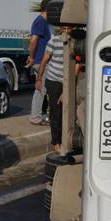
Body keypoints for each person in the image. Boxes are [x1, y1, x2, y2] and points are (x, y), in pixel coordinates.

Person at [37, 23, 69, 152]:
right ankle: (56, 142)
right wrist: (39, 78)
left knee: (67, 113)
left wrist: (66, 88)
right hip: (54, 81)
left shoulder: (74, 42)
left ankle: (67, 139)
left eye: (69, 28)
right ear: (61, 28)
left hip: (68, 82)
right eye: (65, 28)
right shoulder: (54, 41)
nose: (67, 30)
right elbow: (45, 59)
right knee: (56, 112)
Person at [25, 0, 52, 125]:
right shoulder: (40, 22)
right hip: (41, 61)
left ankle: (42, 115)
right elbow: (33, 40)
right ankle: (35, 117)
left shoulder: (44, 22)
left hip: (42, 60)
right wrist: (32, 57)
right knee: (40, 88)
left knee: (44, 89)